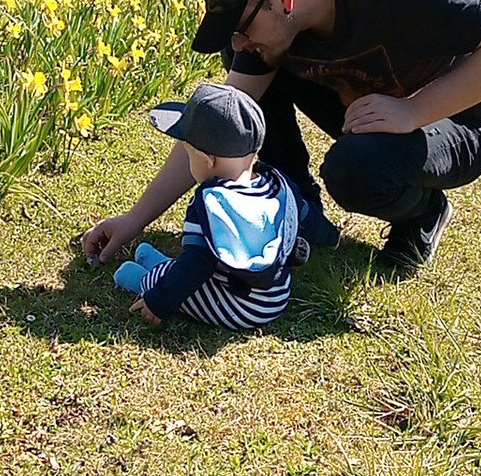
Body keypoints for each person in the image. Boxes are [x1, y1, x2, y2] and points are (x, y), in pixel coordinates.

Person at [83, 0, 481, 275]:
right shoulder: (280, 28)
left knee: (355, 169)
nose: (239, 44)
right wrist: (135, 219)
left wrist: (413, 111)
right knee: (246, 97)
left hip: (461, 121)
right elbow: (218, 130)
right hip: (376, 108)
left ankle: (423, 213)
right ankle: (299, 211)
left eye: (241, 28)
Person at [111, 82, 339, 330]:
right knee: (179, 271)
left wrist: (159, 302)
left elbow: (196, 264)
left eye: (189, 155)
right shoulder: (276, 186)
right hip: (275, 296)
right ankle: (161, 266)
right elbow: (307, 216)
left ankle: (143, 278)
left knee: (172, 278)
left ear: (206, 161)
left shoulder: (211, 204)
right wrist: (331, 236)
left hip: (239, 306)